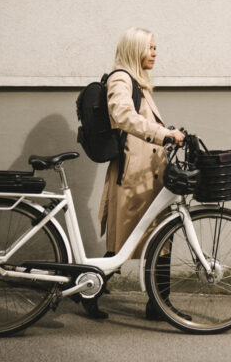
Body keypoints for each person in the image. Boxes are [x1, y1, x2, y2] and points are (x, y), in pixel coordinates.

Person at [82, 27, 185, 320]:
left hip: (150, 175)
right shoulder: (121, 78)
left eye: (155, 47)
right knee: (123, 243)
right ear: (135, 49)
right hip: (133, 176)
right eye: (150, 48)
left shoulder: (139, 83)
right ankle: (88, 291)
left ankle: (158, 305)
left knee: (161, 239)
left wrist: (170, 135)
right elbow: (123, 116)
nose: (155, 53)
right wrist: (163, 134)